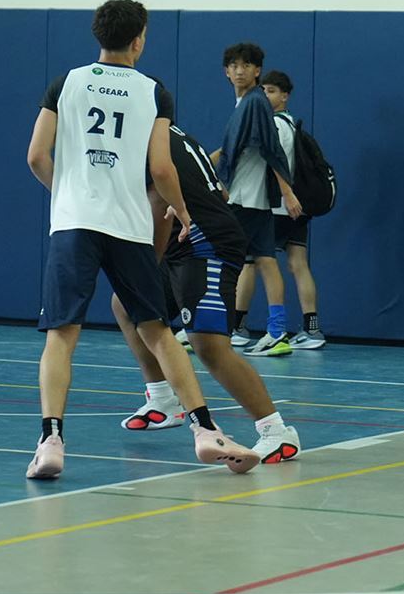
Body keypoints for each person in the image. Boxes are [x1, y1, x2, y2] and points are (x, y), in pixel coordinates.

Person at [23, 0, 255, 479]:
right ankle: (205, 431)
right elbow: (162, 168)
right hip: (127, 227)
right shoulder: (153, 91)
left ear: (98, 35)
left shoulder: (66, 83)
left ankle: (50, 442)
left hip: (74, 223)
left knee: (61, 336)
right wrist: (182, 210)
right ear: (139, 39)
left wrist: (68, 195)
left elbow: (36, 156)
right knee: (158, 331)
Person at [112, 120, 301, 463]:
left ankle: (277, 432)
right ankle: (162, 398)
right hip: (183, 243)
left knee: (208, 344)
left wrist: (147, 263)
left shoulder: (145, 138)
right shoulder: (173, 134)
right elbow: (221, 192)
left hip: (206, 246)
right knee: (126, 304)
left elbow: (161, 201)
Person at [214, 43, 303, 356]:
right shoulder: (246, 104)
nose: (240, 70)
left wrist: (288, 192)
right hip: (259, 201)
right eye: (234, 65)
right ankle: (277, 332)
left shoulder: (254, 103)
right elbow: (232, 150)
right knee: (266, 261)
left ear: (257, 71)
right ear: (226, 72)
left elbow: (269, 149)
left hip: (244, 198)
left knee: (218, 259)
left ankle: (209, 327)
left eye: (246, 65)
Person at [261, 70, 325, 350]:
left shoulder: (276, 125)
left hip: (279, 206)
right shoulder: (292, 125)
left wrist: (285, 195)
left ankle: (239, 327)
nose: (266, 95)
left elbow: (275, 163)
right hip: (296, 205)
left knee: (254, 263)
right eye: (263, 90)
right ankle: (312, 329)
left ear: (285, 96)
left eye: (272, 91)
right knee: (298, 264)